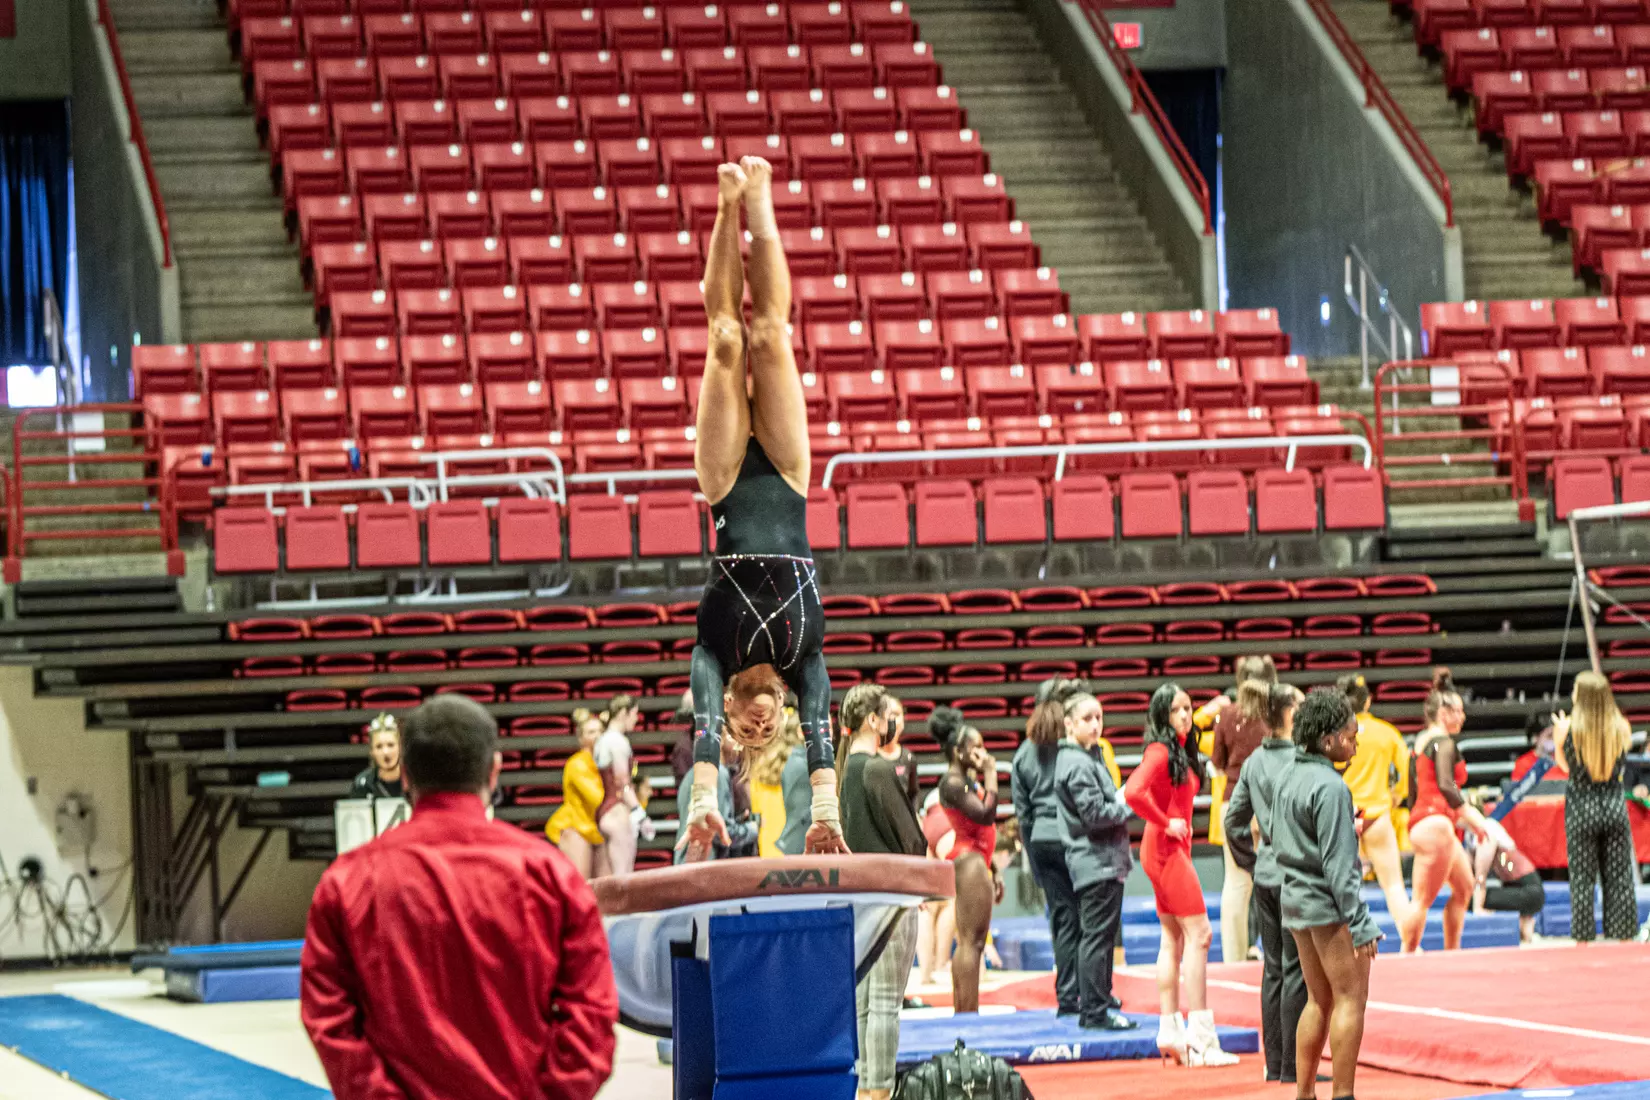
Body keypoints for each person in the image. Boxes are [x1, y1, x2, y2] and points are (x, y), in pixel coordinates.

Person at [301, 695, 617, 1100]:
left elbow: (329, 1018)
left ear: (407, 775)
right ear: (494, 772)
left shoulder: (346, 882)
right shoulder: (552, 876)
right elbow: (592, 1016)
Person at [680, 156, 843, 864]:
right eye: (761, 732)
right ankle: (763, 198)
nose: (754, 722)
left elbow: (704, 728)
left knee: (725, 339)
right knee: (770, 336)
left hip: (723, 488)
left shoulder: (713, 659)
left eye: (744, 730)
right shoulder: (803, 660)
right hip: (787, 478)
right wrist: (825, 813)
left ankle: (728, 205)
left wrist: (704, 801)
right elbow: (824, 729)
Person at [1272, 689, 1381, 1100]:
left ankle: (1304, 1094)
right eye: (1351, 737)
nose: (1355, 745)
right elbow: (1339, 868)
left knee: (1318, 1001)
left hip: (1295, 901)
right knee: (1351, 998)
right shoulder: (1331, 787)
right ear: (1329, 740)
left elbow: (1274, 834)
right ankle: (1343, 1094)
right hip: (1328, 906)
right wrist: (1361, 920)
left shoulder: (1288, 775)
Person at [1123, 683, 1239, 1067]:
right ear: (1162, 716)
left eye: (1189, 708)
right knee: (1200, 934)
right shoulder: (1159, 751)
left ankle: (1170, 1031)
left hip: (1165, 847)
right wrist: (1165, 821)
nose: (1186, 716)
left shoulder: (1178, 751)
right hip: (1166, 848)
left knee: (1172, 937)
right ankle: (1202, 1040)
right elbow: (1133, 791)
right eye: (1177, 710)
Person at [836, 684, 925, 1100]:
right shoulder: (874, 769)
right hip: (891, 894)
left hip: (859, 896)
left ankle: (866, 1086)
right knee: (885, 1002)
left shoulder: (842, 771)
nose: (892, 723)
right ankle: (880, 1089)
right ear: (873, 720)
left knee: (865, 1002)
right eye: (887, 715)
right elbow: (912, 839)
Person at [1225, 683, 1309, 1085]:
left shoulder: (1255, 761)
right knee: (1295, 972)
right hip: (1294, 876)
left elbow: (1232, 820)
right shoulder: (1300, 760)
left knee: (1273, 970)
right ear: (1289, 714)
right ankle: (1294, 1067)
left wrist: (1251, 860)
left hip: (1266, 873)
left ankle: (1275, 1063)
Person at [1052, 691, 1137, 1031]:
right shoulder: (1076, 763)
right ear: (1069, 724)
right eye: (1087, 718)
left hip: (1101, 859)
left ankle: (1097, 1004)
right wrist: (1130, 804)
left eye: (1099, 717)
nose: (1096, 724)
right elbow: (1096, 814)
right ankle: (1095, 1011)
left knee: (1097, 937)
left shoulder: (1088, 756)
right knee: (1097, 939)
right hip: (1095, 860)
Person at [1404, 668, 1489, 952]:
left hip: (1432, 823)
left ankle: (1452, 952)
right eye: (1459, 712)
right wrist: (1473, 817)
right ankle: (1407, 953)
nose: (1463, 717)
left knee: (1464, 887)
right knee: (1421, 900)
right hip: (1436, 824)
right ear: (1444, 713)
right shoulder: (1442, 742)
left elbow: (1412, 791)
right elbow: (1446, 785)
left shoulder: (1420, 743)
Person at [1013, 698, 1084, 1019]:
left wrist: (1033, 858)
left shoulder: (1022, 755)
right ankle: (1088, 992)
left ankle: (1067, 994)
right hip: (1073, 838)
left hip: (1042, 840)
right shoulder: (1071, 753)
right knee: (1086, 919)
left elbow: (1023, 815)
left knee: (1062, 919)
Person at [1556, 670, 1639, 942]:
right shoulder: (1622, 727)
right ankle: (1625, 938)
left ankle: (1583, 940)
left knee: (1582, 878)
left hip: (1582, 805)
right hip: (1614, 803)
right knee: (1619, 877)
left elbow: (1565, 766)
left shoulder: (1567, 728)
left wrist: (1560, 735)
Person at [1335, 673, 1415, 942]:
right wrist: (1397, 795)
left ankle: (1347, 945)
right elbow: (1406, 770)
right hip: (1377, 814)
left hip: (1347, 814)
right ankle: (1410, 943)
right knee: (1393, 885)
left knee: (1343, 888)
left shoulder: (1336, 734)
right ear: (1367, 702)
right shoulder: (1386, 732)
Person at [936, 716, 1001, 1014]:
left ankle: (964, 1012)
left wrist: (995, 870)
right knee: (971, 943)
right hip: (969, 860)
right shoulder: (952, 782)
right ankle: (967, 1013)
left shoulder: (962, 781)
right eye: (976, 748)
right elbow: (986, 815)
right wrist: (991, 774)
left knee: (970, 942)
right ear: (957, 751)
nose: (983, 754)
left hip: (977, 861)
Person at [1211, 674, 1276, 962]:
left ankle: (1233, 956)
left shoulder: (1225, 716)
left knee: (1236, 883)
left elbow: (1217, 763)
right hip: (1267, 803)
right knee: (1276, 875)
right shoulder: (1272, 718)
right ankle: (1275, 949)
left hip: (1233, 801)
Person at [593, 694, 654, 875]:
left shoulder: (602, 740)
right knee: (622, 877)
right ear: (622, 713)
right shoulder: (617, 742)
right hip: (617, 811)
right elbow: (623, 783)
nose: (636, 719)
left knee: (610, 877)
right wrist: (640, 814)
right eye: (634, 714)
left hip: (606, 810)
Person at [675, 734, 758, 863]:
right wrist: (753, 828)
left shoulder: (692, 774)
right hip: (703, 865)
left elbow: (710, 821)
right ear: (722, 738)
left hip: (687, 864)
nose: (740, 746)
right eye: (734, 738)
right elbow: (723, 834)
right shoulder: (719, 773)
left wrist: (737, 821)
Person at [545, 710, 608, 879]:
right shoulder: (577, 764)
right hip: (577, 827)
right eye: (591, 732)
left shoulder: (607, 761)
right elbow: (598, 799)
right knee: (581, 885)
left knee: (606, 888)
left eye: (600, 731)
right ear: (581, 739)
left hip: (600, 828)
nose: (597, 735)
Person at [1465, 814, 1544, 944]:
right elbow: (1468, 873)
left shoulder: (1487, 830)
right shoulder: (1471, 834)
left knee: (1470, 900)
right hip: (1515, 887)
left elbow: (1480, 876)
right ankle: (1524, 921)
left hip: (1529, 891)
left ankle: (1524, 919)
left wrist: (1478, 908)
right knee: (1466, 897)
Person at [750, 709, 804, 857]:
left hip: (768, 848)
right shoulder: (802, 769)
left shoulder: (760, 770)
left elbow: (757, 812)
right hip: (794, 848)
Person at [876, 696, 919, 813]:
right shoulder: (870, 757)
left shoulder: (908, 758)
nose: (893, 719)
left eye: (896, 714)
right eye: (888, 714)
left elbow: (913, 795)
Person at [349, 713, 404, 799]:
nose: (385, 752)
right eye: (379, 747)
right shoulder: (362, 784)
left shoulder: (415, 782)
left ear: (400, 747)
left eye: (390, 745)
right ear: (372, 751)